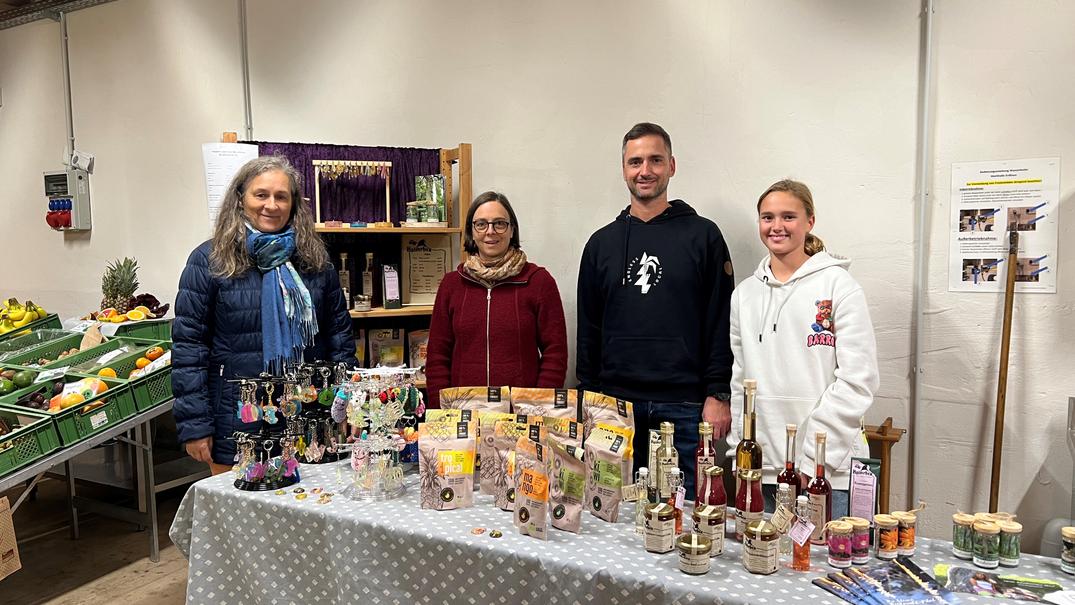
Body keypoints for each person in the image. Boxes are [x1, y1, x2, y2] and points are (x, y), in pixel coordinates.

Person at [576, 122, 734, 499]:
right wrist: (588, 399)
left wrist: (718, 393)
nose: (644, 170)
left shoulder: (704, 237)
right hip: (615, 409)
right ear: (624, 169)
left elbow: (722, 320)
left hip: (685, 408)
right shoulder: (601, 245)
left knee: (685, 514)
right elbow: (588, 329)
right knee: (612, 513)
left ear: (671, 166)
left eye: (655, 160)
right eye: (635, 162)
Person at [172, 155, 354, 474]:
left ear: (293, 205)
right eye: (261, 195)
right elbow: (189, 349)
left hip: (308, 418)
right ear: (241, 199)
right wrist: (195, 426)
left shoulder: (315, 261)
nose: (271, 205)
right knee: (237, 506)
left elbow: (340, 339)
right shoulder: (210, 260)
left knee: (311, 502)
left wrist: (348, 403)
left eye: (281, 196)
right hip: (237, 421)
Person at [725, 179, 878, 517]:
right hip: (763, 469)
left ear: (810, 221)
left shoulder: (839, 287)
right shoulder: (744, 295)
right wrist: (739, 450)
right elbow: (740, 382)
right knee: (764, 551)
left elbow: (858, 381)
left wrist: (813, 458)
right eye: (767, 217)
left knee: (826, 553)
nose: (776, 226)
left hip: (827, 473)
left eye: (788, 217)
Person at [425, 191, 568, 407]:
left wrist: (537, 406)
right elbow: (437, 356)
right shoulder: (452, 285)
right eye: (481, 224)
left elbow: (555, 353)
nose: (490, 231)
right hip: (463, 414)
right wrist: (441, 410)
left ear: (512, 230)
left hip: (521, 414)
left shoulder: (539, 282)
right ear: (472, 232)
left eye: (499, 223)